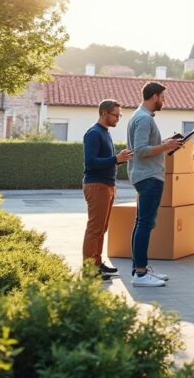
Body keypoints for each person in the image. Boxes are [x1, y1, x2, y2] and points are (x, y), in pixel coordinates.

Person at [126, 82, 183, 287]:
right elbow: (140, 150)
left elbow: (144, 146)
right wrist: (166, 146)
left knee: (141, 223)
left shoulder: (140, 116)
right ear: (155, 97)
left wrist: (166, 143)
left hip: (143, 175)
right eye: (162, 98)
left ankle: (139, 269)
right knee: (145, 224)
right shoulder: (143, 119)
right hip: (149, 177)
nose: (164, 101)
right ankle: (140, 274)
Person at [82, 99, 132, 281]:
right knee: (94, 228)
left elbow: (107, 160)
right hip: (97, 185)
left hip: (107, 185)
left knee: (102, 229)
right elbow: (91, 162)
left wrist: (119, 159)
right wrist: (115, 159)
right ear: (104, 113)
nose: (118, 118)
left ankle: (97, 263)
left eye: (119, 115)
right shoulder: (93, 133)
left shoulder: (105, 133)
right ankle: (89, 269)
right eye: (115, 115)